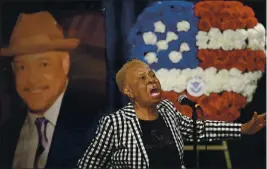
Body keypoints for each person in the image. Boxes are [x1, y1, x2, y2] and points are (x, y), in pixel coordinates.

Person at [76, 59, 266, 169]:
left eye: (152, 75)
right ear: (129, 91)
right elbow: (89, 164)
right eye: (142, 78)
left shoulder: (167, 110)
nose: (152, 80)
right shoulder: (115, 123)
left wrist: (242, 128)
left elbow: (198, 128)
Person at [0, 11, 103, 168]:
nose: (32, 79)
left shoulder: (99, 124)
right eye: (22, 66)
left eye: (43, 64)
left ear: (65, 64)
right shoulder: (6, 133)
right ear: (13, 70)